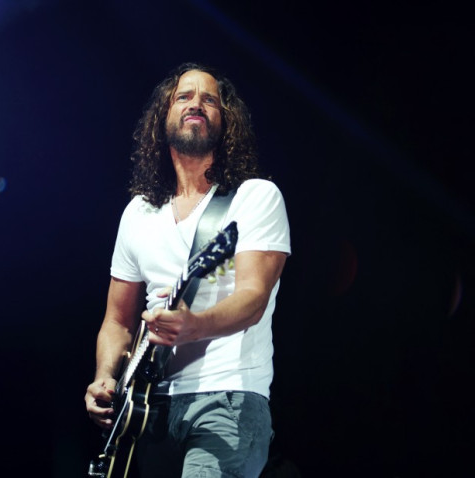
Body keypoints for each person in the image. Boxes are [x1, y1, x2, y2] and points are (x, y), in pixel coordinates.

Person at [85, 62, 291, 478]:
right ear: (163, 119)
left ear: (225, 121)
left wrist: (194, 325)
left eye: (209, 99)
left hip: (228, 397)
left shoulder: (254, 198)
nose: (196, 103)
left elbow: (253, 298)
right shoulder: (139, 213)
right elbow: (117, 320)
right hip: (146, 409)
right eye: (184, 96)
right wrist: (105, 377)